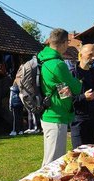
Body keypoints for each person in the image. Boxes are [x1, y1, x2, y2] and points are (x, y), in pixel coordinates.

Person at [37, 28, 82, 166]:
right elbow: (76, 88)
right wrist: (77, 82)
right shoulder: (58, 64)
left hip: (49, 112)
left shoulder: (42, 58)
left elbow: (57, 85)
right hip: (56, 115)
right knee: (53, 163)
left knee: (53, 159)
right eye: (67, 42)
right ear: (63, 42)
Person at [70, 44, 94, 148]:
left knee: (92, 153)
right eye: (90, 55)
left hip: (93, 120)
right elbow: (66, 98)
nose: (93, 58)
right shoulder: (72, 74)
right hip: (78, 119)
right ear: (81, 55)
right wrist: (83, 97)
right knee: (79, 152)